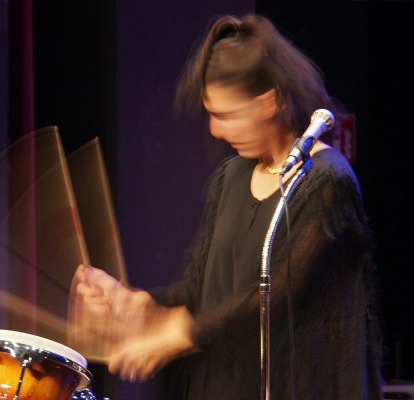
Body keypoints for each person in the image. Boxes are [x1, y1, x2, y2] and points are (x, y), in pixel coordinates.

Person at [72, 14, 382, 400]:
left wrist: (181, 333)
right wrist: (138, 303)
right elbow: (202, 288)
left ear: (268, 101)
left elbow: (279, 295)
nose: (215, 130)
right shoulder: (229, 177)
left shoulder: (326, 182)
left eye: (226, 115)